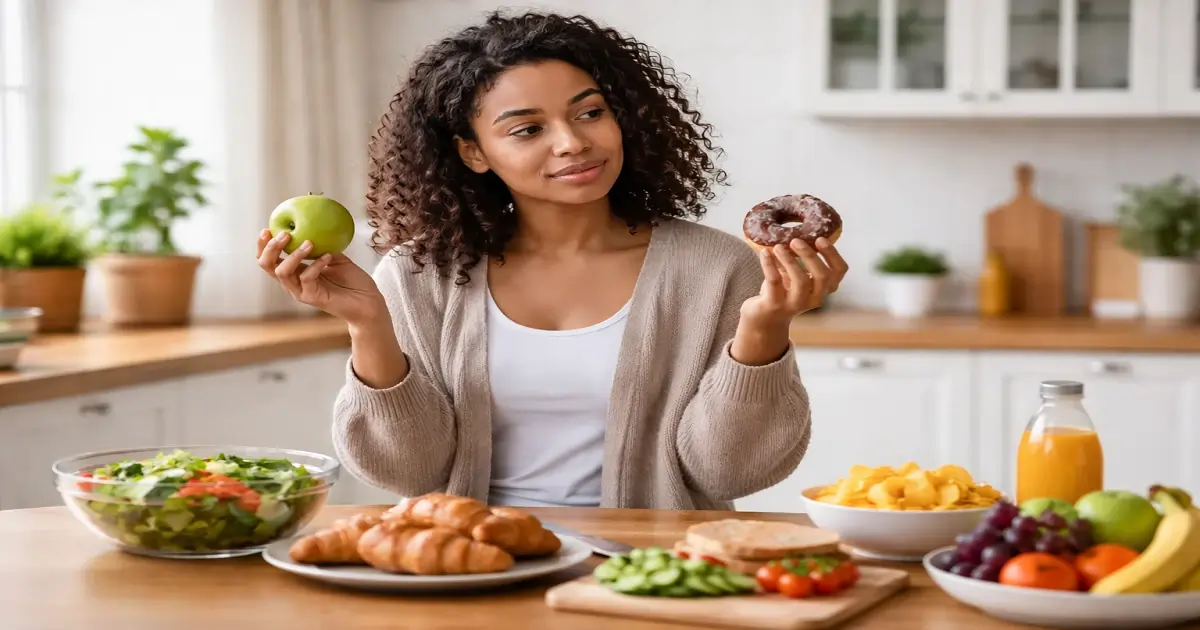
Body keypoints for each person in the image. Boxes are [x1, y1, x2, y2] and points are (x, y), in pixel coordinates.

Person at [255, 10, 848, 511]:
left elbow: (727, 476)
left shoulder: (716, 268)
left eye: (590, 112)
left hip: (651, 572)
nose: (572, 141)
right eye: (527, 128)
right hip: (472, 567)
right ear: (474, 153)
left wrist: (765, 328)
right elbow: (406, 475)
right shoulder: (420, 274)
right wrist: (368, 325)